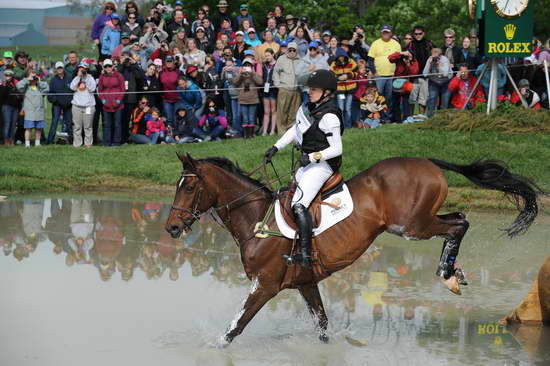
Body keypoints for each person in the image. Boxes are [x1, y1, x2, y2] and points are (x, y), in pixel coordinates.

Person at [263, 70, 343, 268]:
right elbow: (295, 130)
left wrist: (314, 157)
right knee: (287, 196)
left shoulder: (329, 116)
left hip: (322, 165)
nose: (309, 92)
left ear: (326, 92)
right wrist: (276, 147)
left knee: (298, 205)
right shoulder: (308, 107)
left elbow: (337, 149)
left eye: (314, 89)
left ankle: (306, 255)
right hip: (307, 162)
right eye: (309, 89)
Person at [368, 24, 401, 122]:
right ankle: (378, 117)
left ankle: (387, 118)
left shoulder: (396, 44)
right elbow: (370, 60)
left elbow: (400, 60)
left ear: (391, 33)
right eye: (384, 32)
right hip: (379, 76)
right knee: (379, 98)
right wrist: (374, 72)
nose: (385, 34)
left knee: (389, 98)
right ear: (381, 33)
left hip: (391, 75)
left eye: (387, 32)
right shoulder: (375, 43)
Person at [273, 41, 302, 135]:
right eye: (290, 50)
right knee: (282, 111)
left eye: (294, 50)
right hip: (284, 89)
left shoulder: (300, 60)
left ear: (297, 51)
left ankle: (291, 132)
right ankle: (281, 132)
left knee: (294, 112)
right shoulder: (281, 59)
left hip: (296, 90)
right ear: (287, 50)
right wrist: (278, 85)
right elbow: (275, 72)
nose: (292, 52)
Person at [17, 69, 49, 147]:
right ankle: (27, 143)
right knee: (28, 128)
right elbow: (18, 86)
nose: (33, 78)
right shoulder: (26, 87)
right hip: (29, 112)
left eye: (35, 75)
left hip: (39, 111)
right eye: (32, 75)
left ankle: (37, 143)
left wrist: (39, 81)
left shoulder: (40, 87)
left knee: (38, 129)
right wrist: (27, 79)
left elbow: (47, 89)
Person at [117, 53, 144, 143]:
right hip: (121, 98)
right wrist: (121, 63)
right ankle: (122, 138)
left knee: (129, 119)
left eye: (128, 59)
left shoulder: (133, 69)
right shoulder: (121, 68)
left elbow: (140, 76)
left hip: (131, 98)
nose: (127, 61)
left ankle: (128, 137)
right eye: (125, 58)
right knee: (121, 120)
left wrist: (134, 63)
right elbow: (116, 74)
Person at [233, 57, 263, 138]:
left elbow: (260, 82)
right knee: (245, 118)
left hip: (253, 99)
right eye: (245, 65)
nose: (247, 67)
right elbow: (235, 82)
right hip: (243, 99)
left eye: (248, 65)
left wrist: (253, 73)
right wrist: (240, 74)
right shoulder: (241, 75)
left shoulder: (254, 74)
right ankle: (246, 135)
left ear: (252, 66)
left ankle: (251, 134)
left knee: (252, 118)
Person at [98, 59, 126, 146]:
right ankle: (106, 142)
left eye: (109, 66)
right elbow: (100, 90)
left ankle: (116, 142)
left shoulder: (119, 76)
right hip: (106, 105)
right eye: (106, 66)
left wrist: (118, 100)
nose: (108, 68)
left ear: (112, 66)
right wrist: (103, 101)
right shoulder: (102, 77)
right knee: (107, 124)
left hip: (118, 105)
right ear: (104, 67)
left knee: (117, 124)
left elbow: (123, 89)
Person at [408, 25, 434, 116]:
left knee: (423, 99)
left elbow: (436, 53)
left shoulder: (429, 43)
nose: (418, 35)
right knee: (412, 97)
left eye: (420, 33)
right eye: (416, 34)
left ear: (424, 33)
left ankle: (421, 116)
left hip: (425, 75)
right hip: (413, 76)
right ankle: (410, 117)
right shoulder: (411, 44)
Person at [388, 50, 419, 123]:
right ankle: (396, 119)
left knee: (406, 102)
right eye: (407, 55)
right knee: (395, 102)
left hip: (406, 83)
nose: (409, 57)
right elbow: (390, 58)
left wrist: (408, 64)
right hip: (397, 82)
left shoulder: (414, 62)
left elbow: (414, 72)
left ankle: (406, 118)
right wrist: (401, 53)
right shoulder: (399, 59)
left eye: (410, 55)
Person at [47, 62, 74, 144]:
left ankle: (71, 141)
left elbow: (73, 90)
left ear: (63, 68)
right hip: (57, 105)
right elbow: (50, 94)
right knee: (54, 122)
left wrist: (70, 101)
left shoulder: (69, 78)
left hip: (68, 105)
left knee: (69, 123)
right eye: (58, 68)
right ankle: (50, 141)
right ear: (56, 69)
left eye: (61, 68)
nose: (59, 69)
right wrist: (56, 101)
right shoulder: (53, 80)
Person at [330, 48, 357, 127]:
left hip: (350, 89)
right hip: (340, 89)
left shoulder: (351, 62)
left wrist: (347, 76)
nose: (341, 58)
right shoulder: (334, 64)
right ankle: (341, 125)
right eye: (339, 56)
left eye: (342, 56)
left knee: (348, 108)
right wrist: (338, 77)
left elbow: (356, 72)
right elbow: (331, 75)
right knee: (340, 109)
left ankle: (348, 126)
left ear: (345, 56)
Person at [424, 48, 452, 117]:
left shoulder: (445, 59)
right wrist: (429, 63)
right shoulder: (429, 59)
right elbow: (424, 74)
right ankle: (430, 118)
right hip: (434, 82)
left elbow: (445, 74)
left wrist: (439, 65)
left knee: (445, 101)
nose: (435, 58)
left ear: (440, 55)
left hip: (446, 81)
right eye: (434, 55)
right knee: (432, 99)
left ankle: (444, 118)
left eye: (437, 56)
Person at [159, 55, 181, 126]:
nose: (169, 63)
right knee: (169, 119)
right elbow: (159, 85)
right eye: (167, 61)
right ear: (165, 62)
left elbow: (183, 84)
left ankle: (177, 135)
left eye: (170, 61)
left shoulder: (178, 72)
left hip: (177, 99)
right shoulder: (161, 72)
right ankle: (170, 134)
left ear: (173, 62)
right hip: (166, 100)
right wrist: (162, 96)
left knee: (176, 119)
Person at [260, 49, 278, 136]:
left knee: (273, 110)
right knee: (266, 111)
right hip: (265, 89)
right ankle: (264, 131)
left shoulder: (277, 64)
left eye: (268, 55)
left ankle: (272, 130)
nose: (267, 57)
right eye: (266, 56)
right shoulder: (264, 65)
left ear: (273, 55)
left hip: (273, 89)